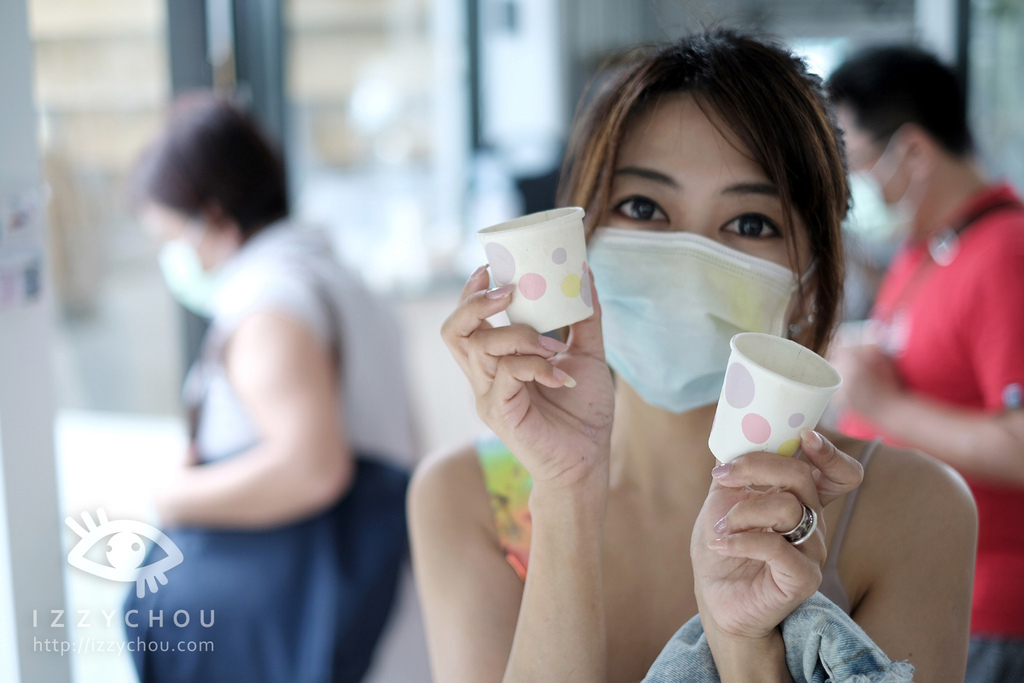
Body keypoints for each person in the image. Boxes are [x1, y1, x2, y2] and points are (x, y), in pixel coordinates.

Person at [408, 30, 977, 683]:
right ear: (579, 240)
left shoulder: (914, 509)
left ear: (811, 285)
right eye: (643, 207)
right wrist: (565, 496)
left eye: (751, 222)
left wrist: (749, 650)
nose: (687, 256)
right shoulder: (463, 499)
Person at [124, 93, 415, 683]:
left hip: (326, 610)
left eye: (172, 236)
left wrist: (176, 496)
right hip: (383, 595)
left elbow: (311, 467)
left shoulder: (266, 309)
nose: (173, 257)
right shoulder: (327, 273)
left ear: (215, 219)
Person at [828, 45, 1024, 682]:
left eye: (855, 165)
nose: (853, 190)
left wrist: (889, 407)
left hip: (991, 614)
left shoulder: (1004, 255)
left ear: (911, 152)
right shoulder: (925, 249)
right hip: (922, 591)